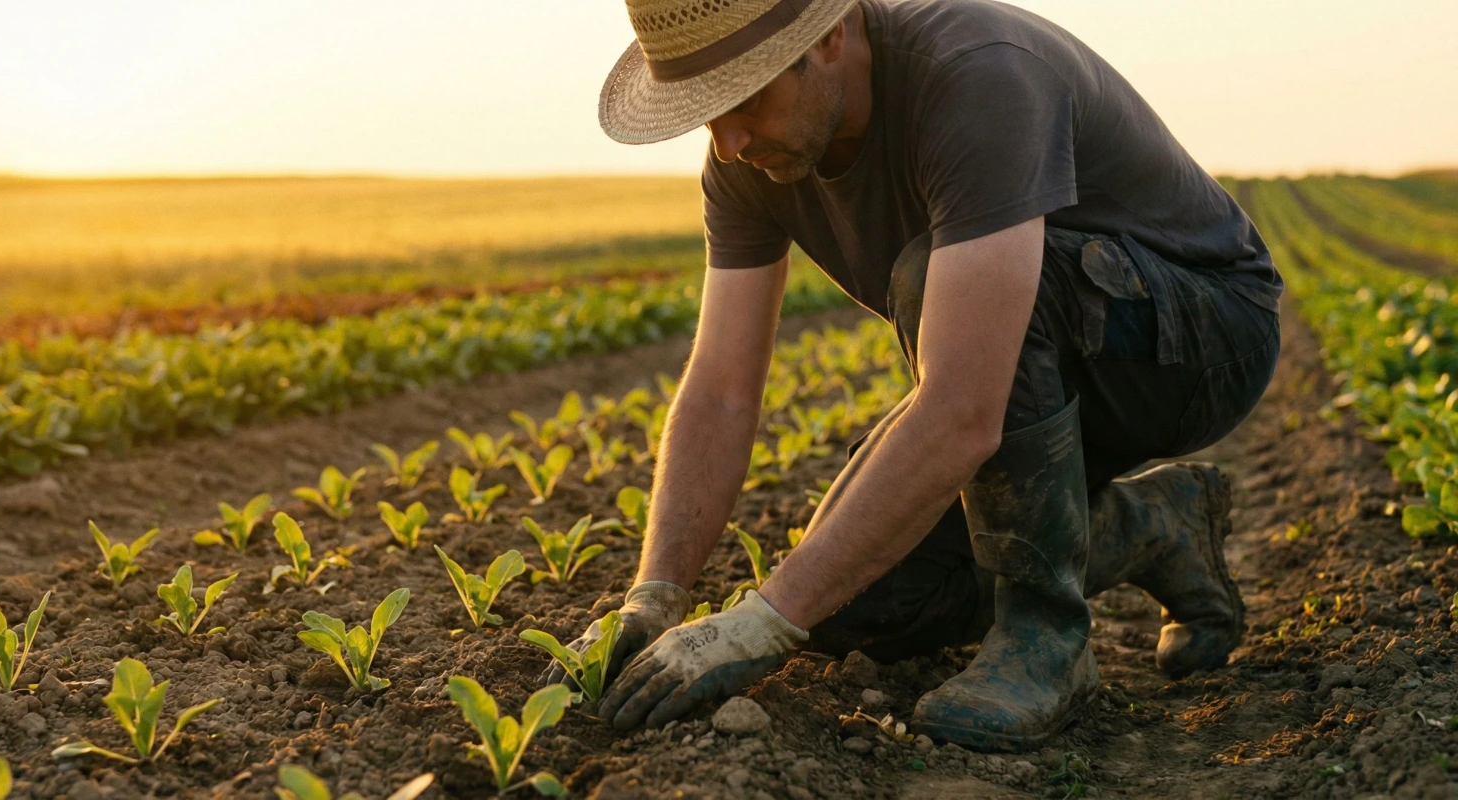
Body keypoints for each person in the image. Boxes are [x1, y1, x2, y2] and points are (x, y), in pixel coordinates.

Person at [549, 0, 1283, 752]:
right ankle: (1153, 529)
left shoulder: (975, 75)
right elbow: (722, 388)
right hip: (1036, 368)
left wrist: (760, 620)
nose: (728, 141)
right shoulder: (747, 163)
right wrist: (657, 595)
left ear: (829, 35)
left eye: (744, 100)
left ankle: (1046, 636)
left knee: (926, 278)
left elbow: (963, 410)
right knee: (854, 604)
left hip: (1201, 338)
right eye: (706, 114)